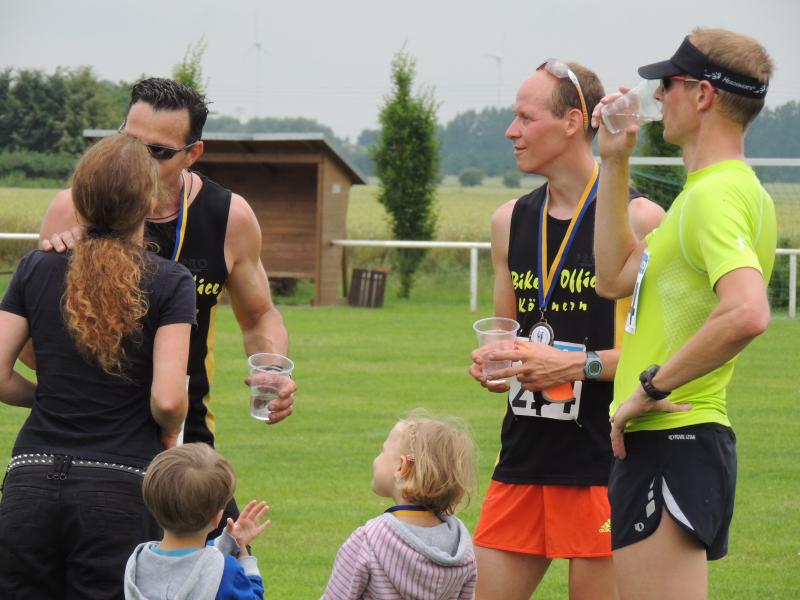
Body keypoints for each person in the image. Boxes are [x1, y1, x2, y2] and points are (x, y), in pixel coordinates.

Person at [37, 77, 296, 535]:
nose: (138, 160)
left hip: (186, 447)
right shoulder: (73, 208)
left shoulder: (228, 216)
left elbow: (259, 315)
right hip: (87, 445)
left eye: (157, 152)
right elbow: (35, 327)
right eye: (130, 142)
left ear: (192, 154)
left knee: (226, 567)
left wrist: (273, 368)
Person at [468, 59, 664, 600]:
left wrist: (573, 365)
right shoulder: (508, 220)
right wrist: (494, 363)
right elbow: (507, 336)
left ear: (574, 121)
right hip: (524, 455)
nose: (511, 131)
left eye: (526, 118)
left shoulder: (641, 220)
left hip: (608, 459)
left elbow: (662, 362)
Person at [591, 29, 776, 599]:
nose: (656, 95)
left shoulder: (716, 196)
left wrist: (649, 388)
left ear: (702, 95)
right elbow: (612, 277)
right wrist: (614, 161)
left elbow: (747, 311)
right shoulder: (706, 194)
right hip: (669, 442)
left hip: (673, 436)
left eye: (667, 83)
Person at [0, 134, 196, 598]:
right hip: (119, 487)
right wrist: (169, 429)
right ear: (148, 200)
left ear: (80, 198)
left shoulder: (35, 267)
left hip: (30, 479)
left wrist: (47, 396)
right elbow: (169, 400)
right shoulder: (171, 281)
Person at [321, 412, 478, 599]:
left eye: (382, 451)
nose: (376, 459)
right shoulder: (461, 549)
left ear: (402, 467)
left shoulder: (367, 541)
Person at [124, 443, 270, 599]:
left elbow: (188, 562)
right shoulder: (227, 571)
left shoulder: (137, 562)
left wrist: (229, 541)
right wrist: (245, 558)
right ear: (217, 518)